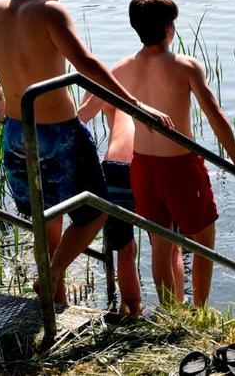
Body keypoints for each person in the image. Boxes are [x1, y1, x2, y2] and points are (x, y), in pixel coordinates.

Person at [0, 0, 172, 305]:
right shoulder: (51, 12)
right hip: (59, 133)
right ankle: (50, 277)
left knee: (46, 215)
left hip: (17, 130)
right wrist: (136, 103)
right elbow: (86, 63)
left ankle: (56, 298)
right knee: (97, 208)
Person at [112, 0, 235, 307]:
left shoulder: (122, 68)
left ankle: (170, 312)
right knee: (204, 241)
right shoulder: (185, 66)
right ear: (168, 28)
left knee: (160, 246)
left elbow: (90, 106)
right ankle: (200, 310)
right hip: (180, 166)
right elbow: (215, 116)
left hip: (143, 167)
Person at [78, 92, 145, 319]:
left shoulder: (108, 90)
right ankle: (176, 307)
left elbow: (80, 116)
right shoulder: (149, 87)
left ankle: (131, 308)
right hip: (148, 163)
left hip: (115, 169)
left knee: (125, 250)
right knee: (168, 245)